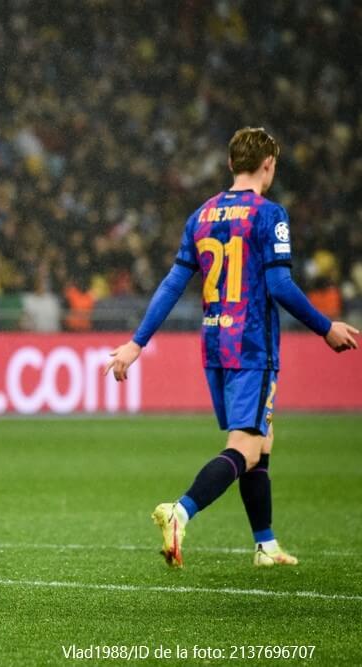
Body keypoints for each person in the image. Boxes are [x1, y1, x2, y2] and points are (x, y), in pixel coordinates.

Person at [104, 127, 358, 568]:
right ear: (269, 165)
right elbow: (279, 284)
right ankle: (181, 512)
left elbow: (172, 285)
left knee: (262, 437)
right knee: (246, 443)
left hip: (215, 342)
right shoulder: (269, 214)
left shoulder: (200, 215)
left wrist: (136, 342)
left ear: (229, 164)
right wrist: (324, 327)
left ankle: (266, 545)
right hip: (252, 343)